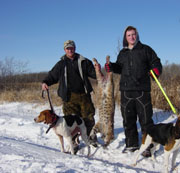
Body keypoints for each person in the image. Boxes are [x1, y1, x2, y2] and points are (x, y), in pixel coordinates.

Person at [105, 26, 162, 157]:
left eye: (133, 34)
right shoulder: (123, 53)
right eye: (129, 35)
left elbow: (156, 62)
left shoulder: (145, 50)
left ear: (137, 35)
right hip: (126, 91)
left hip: (142, 90)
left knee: (146, 120)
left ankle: (148, 145)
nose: (132, 37)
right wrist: (111, 67)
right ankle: (131, 144)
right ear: (126, 38)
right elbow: (120, 68)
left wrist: (156, 71)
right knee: (128, 119)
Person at [42, 40, 97, 147]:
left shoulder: (84, 61)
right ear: (64, 50)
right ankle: (73, 142)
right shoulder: (61, 64)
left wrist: (99, 71)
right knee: (70, 121)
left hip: (84, 95)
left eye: (71, 48)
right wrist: (45, 82)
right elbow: (52, 75)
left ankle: (90, 137)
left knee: (88, 117)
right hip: (68, 97)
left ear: (75, 48)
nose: (70, 50)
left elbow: (94, 73)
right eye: (67, 48)